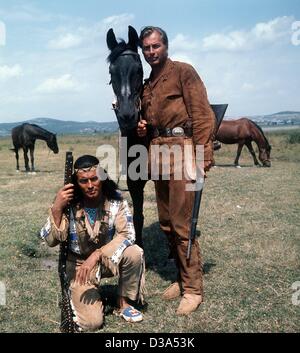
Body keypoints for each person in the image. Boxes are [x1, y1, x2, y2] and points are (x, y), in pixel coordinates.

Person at [137, 26, 215, 315]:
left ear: (166, 46)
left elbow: (203, 114)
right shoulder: (147, 85)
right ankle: (181, 280)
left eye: (155, 46)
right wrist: (144, 125)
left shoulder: (184, 72)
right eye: (146, 48)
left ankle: (193, 288)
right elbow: (150, 119)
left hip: (183, 149)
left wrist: (202, 156)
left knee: (184, 225)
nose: (151, 52)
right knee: (167, 222)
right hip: (157, 150)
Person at [40, 155, 145, 331]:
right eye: (83, 181)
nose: (90, 185)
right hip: (79, 267)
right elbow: (50, 240)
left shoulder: (116, 201)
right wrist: (57, 208)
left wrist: (97, 254)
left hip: (105, 259)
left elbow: (128, 234)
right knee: (92, 323)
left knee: (134, 252)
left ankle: (123, 303)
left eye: (94, 179)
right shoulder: (67, 204)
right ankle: (83, 295)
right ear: (76, 183)